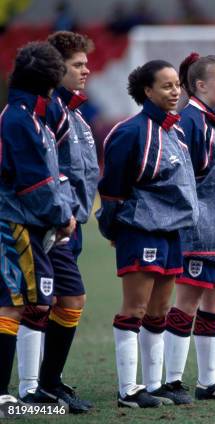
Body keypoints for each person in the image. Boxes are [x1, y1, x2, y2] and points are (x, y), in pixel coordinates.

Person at [97, 60, 198, 408]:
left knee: (160, 310)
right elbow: (112, 190)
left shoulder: (176, 131)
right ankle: (129, 389)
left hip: (173, 233)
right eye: (167, 86)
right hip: (142, 231)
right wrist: (113, 228)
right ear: (147, 91)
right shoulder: (130, 132)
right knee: (135, 308)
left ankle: (154, 385)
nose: (175, 92)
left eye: (177, 85)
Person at [16, 31, 97, 407]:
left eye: (85, 63)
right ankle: (33, 386)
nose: (86, 70)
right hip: (51, 222)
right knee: (47, 301)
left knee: (63, 301)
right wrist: (61, 212)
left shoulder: (74, 112)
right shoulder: (47, 112)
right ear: (55, 68)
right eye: (77, 65)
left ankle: (48, 380)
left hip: (70, 222)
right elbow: (49, 170)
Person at [161, 52, 215, 402]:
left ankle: (208, 381)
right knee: (187, 303)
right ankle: (171, 380)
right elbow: (184, 181)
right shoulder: (190, 121)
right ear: (200, 85)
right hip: (198, 234)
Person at [0, 42, 75, 408]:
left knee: (26, 304)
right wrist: (62, 216)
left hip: (25, 222)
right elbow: (33, 181)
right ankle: (3, 394)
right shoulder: (19, 118)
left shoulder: (28, 115)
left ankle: (28, 389)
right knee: (11, 305)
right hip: (13, 221)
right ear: (49, 81)